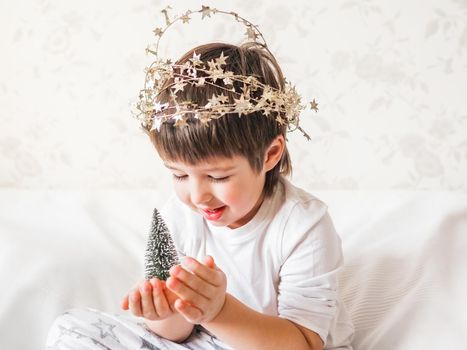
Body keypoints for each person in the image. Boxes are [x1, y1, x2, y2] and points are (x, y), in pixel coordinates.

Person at [46, 6, 354, 350]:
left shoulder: (302, 226)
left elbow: (304, 343)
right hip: (204, 342)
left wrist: (219, 310)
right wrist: (162, 312)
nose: (197, 196)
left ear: (269, 155)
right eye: (179, 174)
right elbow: (176, 333)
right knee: (71, 328)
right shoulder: (178, 216)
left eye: (218, 176)